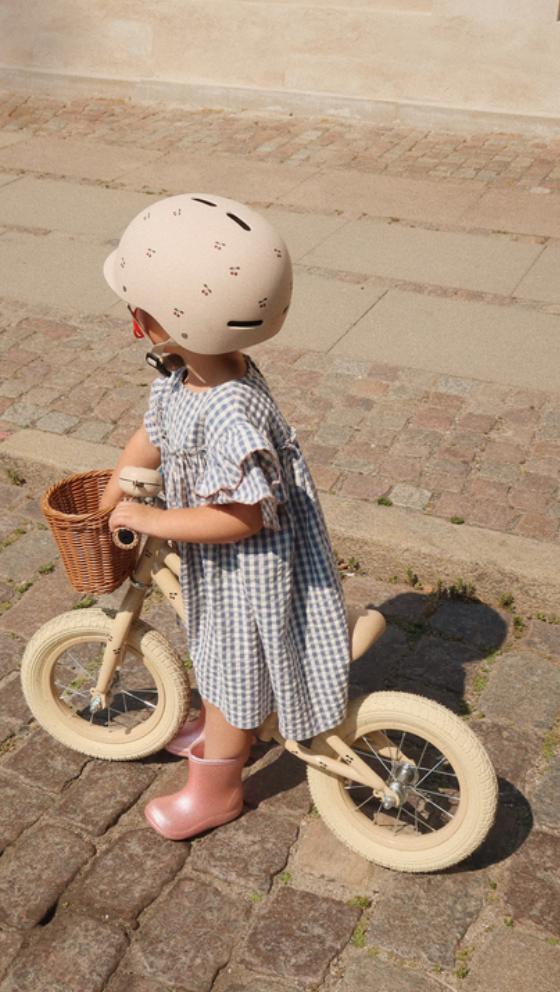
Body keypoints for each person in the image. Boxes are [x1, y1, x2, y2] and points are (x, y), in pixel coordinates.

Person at [100, 193, 350, 841]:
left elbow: (240, 519)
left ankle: (218, 789)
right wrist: (119, 488)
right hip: (227, 556)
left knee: (227, 663)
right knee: (213, 654)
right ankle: (222, 724)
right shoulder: (187, 373)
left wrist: (151, 521)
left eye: (139, 314)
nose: (137, 324)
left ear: (162, 322)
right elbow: (151, 435)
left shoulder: (230, 410)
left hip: (247, 566)